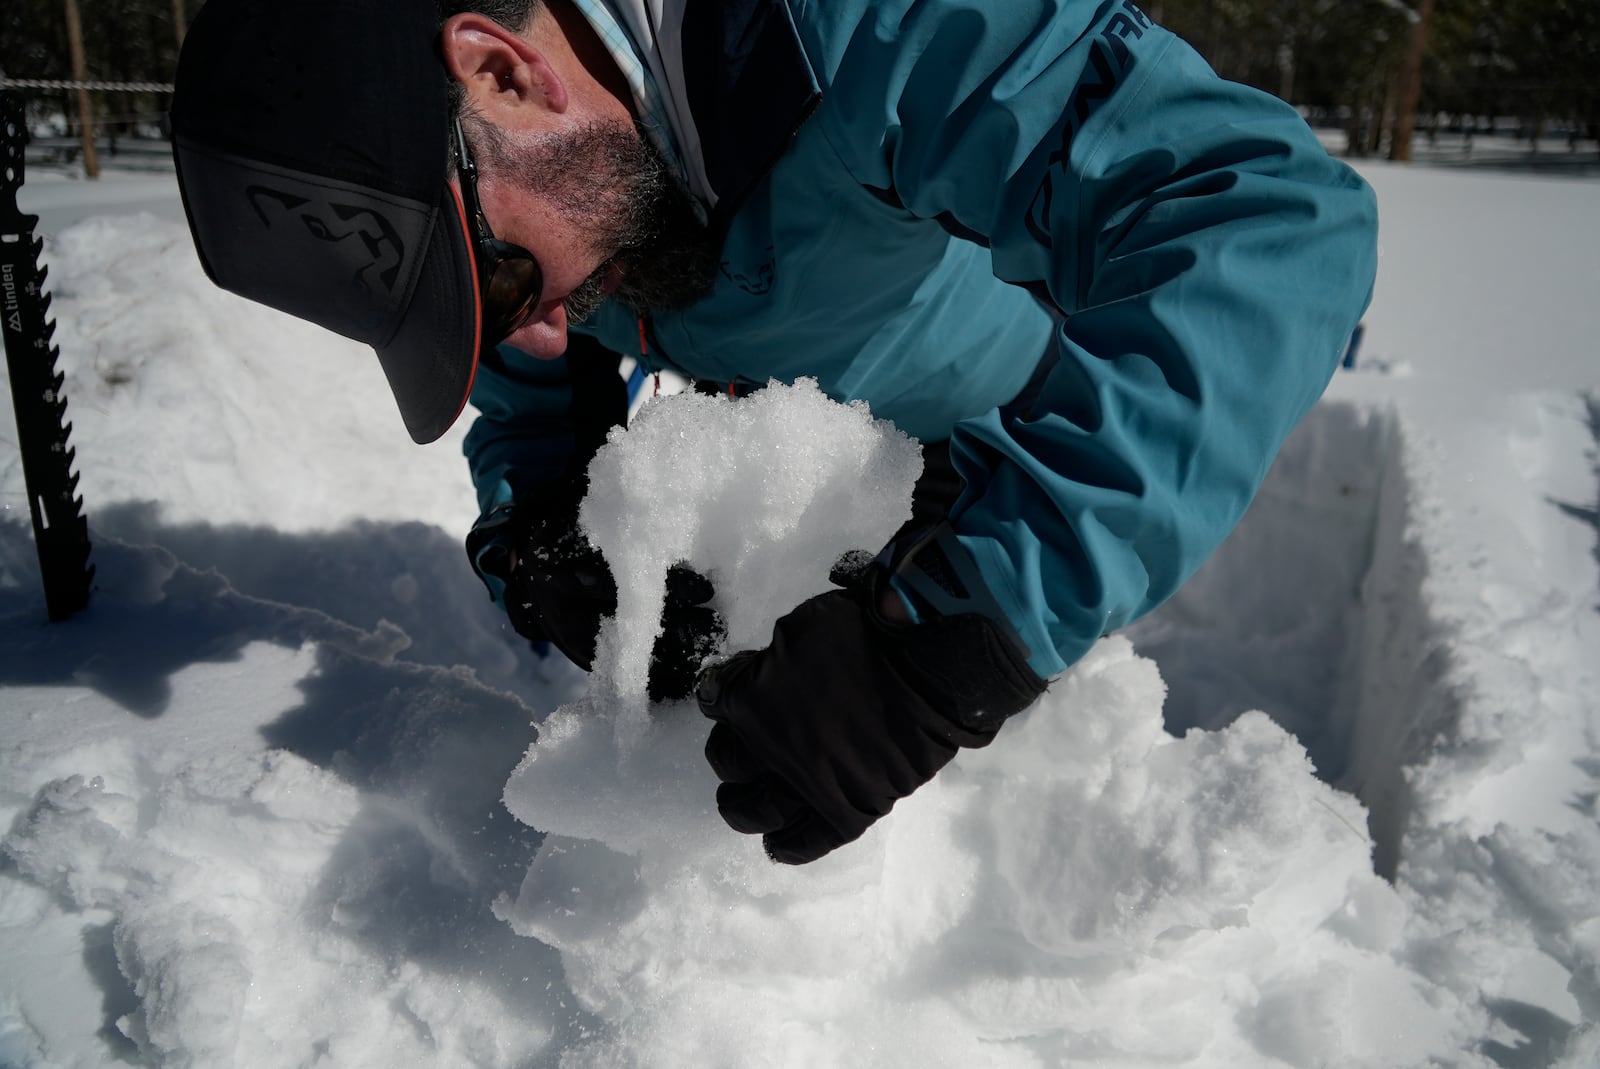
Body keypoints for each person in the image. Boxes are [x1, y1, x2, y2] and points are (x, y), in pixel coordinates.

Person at [169, 0, 1379, 865]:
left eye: (495, 275)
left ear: (503, 73)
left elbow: (1261, 221)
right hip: (839, 468)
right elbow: (541, 376)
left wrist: (955, 634)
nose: (526, 337)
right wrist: (544, 523)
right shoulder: (584, 172)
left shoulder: (855, 28)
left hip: (1040, 465)